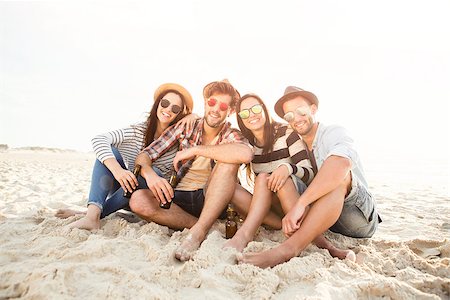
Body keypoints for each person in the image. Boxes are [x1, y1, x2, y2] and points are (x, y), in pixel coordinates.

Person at [237, 86, 381, 268]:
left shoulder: (332, 132)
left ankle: (288, 249)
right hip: (324, 221)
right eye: (289, 116)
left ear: (313, 109)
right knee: (281, 179)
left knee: (338, 177)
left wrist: (300, 204)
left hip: (356, 217)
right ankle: (318, 242)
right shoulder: (295, 141)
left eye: (301, 111)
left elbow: (341, 165)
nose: (295, 119)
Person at [129, 79, 253, 261]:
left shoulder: (230, 134)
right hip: (179, 196)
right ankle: (202, 225)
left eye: (223, 106)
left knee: (229, 161)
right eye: (212, 102)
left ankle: (198, 232)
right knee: (138, 200)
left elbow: (245, 153)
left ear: (230, 111)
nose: (216, 109)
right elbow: (146, 154)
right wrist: (150, 175)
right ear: (205, 102)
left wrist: (196, 149)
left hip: (211, 197)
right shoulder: (187, 127)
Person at [224, 94, 355, 261]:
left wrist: (288, 168)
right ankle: (253, 232)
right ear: (240, 119)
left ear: (264, 110)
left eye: (255, 109)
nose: (251, 115)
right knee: (244, 184)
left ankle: (324, 244)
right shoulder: (249, 148)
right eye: (244, 113)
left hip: (295, 203)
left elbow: (309, 173)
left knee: (271, 178)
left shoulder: (286, 132)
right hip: (273, 211)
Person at [55, 83, 197, 230]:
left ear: (180, 113)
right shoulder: (138, 131)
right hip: (122, 187)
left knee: (155, 172)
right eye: (165, 103)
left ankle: (92, 214)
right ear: (157, 103)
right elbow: (99, 140)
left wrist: (194, 116)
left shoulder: (178, 140)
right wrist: (118, 170)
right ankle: (92, 216)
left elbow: (204, 127)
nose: (168, 110)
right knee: (112, 152)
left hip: (145, 196)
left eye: (175, 108)